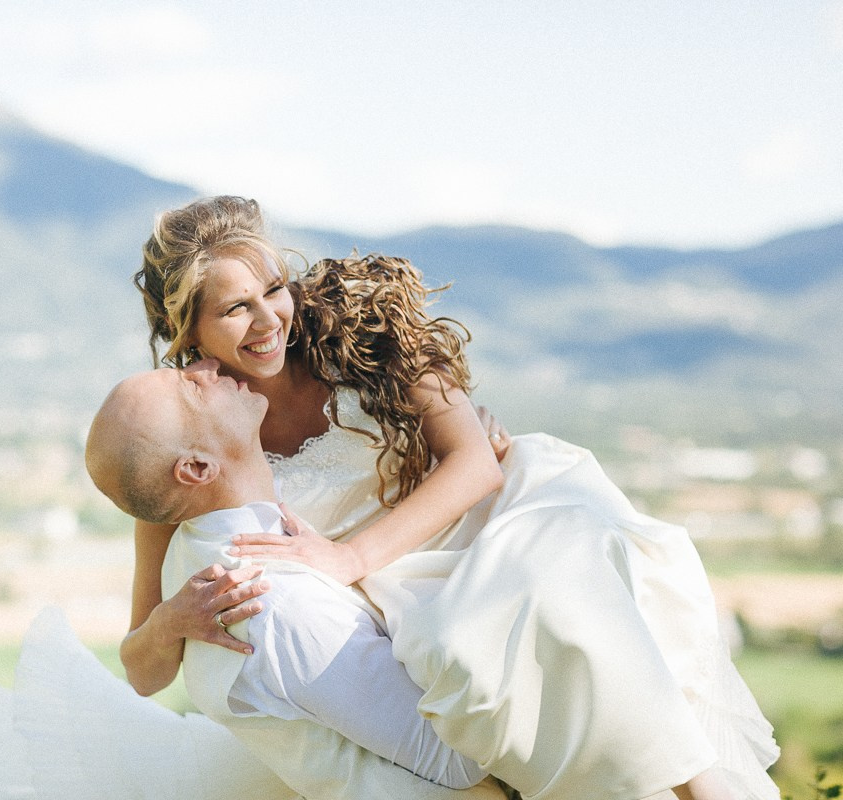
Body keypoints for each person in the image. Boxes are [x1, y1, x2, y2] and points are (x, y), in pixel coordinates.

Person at [124, 195, 781, 800]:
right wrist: (171, 623)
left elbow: (474, 464)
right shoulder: (182, 444)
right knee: (468, 665)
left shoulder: (362, 320)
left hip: (489, 517)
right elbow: (143, 672)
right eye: (237, 308)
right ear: (185, 330)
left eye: (274, 289)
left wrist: (348, 558)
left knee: (557, 584)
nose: (270, 320)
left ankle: (702, 788)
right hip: (396, 593)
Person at [84, 360, 493, 792]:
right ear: (198, 469)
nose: (204, 367)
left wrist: (452, 428)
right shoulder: (274, 605)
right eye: (192, 386)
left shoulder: (201, 543)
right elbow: (457, 761)